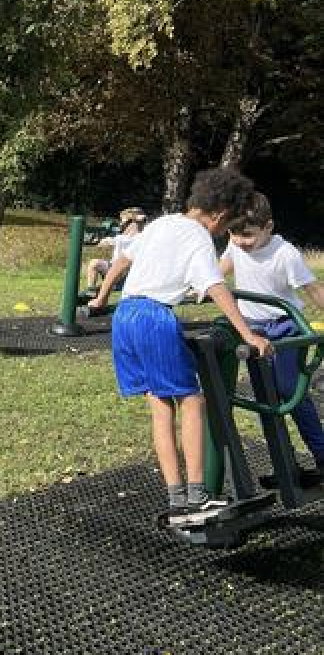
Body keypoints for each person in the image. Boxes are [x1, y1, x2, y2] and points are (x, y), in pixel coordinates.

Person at [88, 168, 273, 526]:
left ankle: (177, 498)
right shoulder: (198, 236)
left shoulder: (162, 223)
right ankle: (198, 497)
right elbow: (215, 286)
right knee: (193, 400)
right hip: (154, 317)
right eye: (226, 226)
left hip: (125, 316)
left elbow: (124, 259)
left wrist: (101, 296)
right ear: (219, 215)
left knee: (160, 406)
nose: (223, 234)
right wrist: (249, 334)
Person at [220, 192, 324, 486]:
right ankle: (285, 464)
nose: (240, 242)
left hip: (284, 327)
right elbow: (221, 269)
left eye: (248, 236)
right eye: (233, 234)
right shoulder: (236, 243)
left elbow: (312, 289)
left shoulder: (285, 253)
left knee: (290, 391)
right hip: (252, 330)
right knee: (266, 397)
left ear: (268, 227)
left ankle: (322, 456)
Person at [85, 207, 148, 292]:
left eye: (123, 222)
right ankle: (91, 290)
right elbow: (106, 242)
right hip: (115, 269)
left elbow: (108, 241)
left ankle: (104, 287)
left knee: (95, 264)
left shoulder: (141, 237)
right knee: (94, 264)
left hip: (127, 273)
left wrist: (97, 240)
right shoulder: (122, 237)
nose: (121, 225)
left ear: (132, 223)